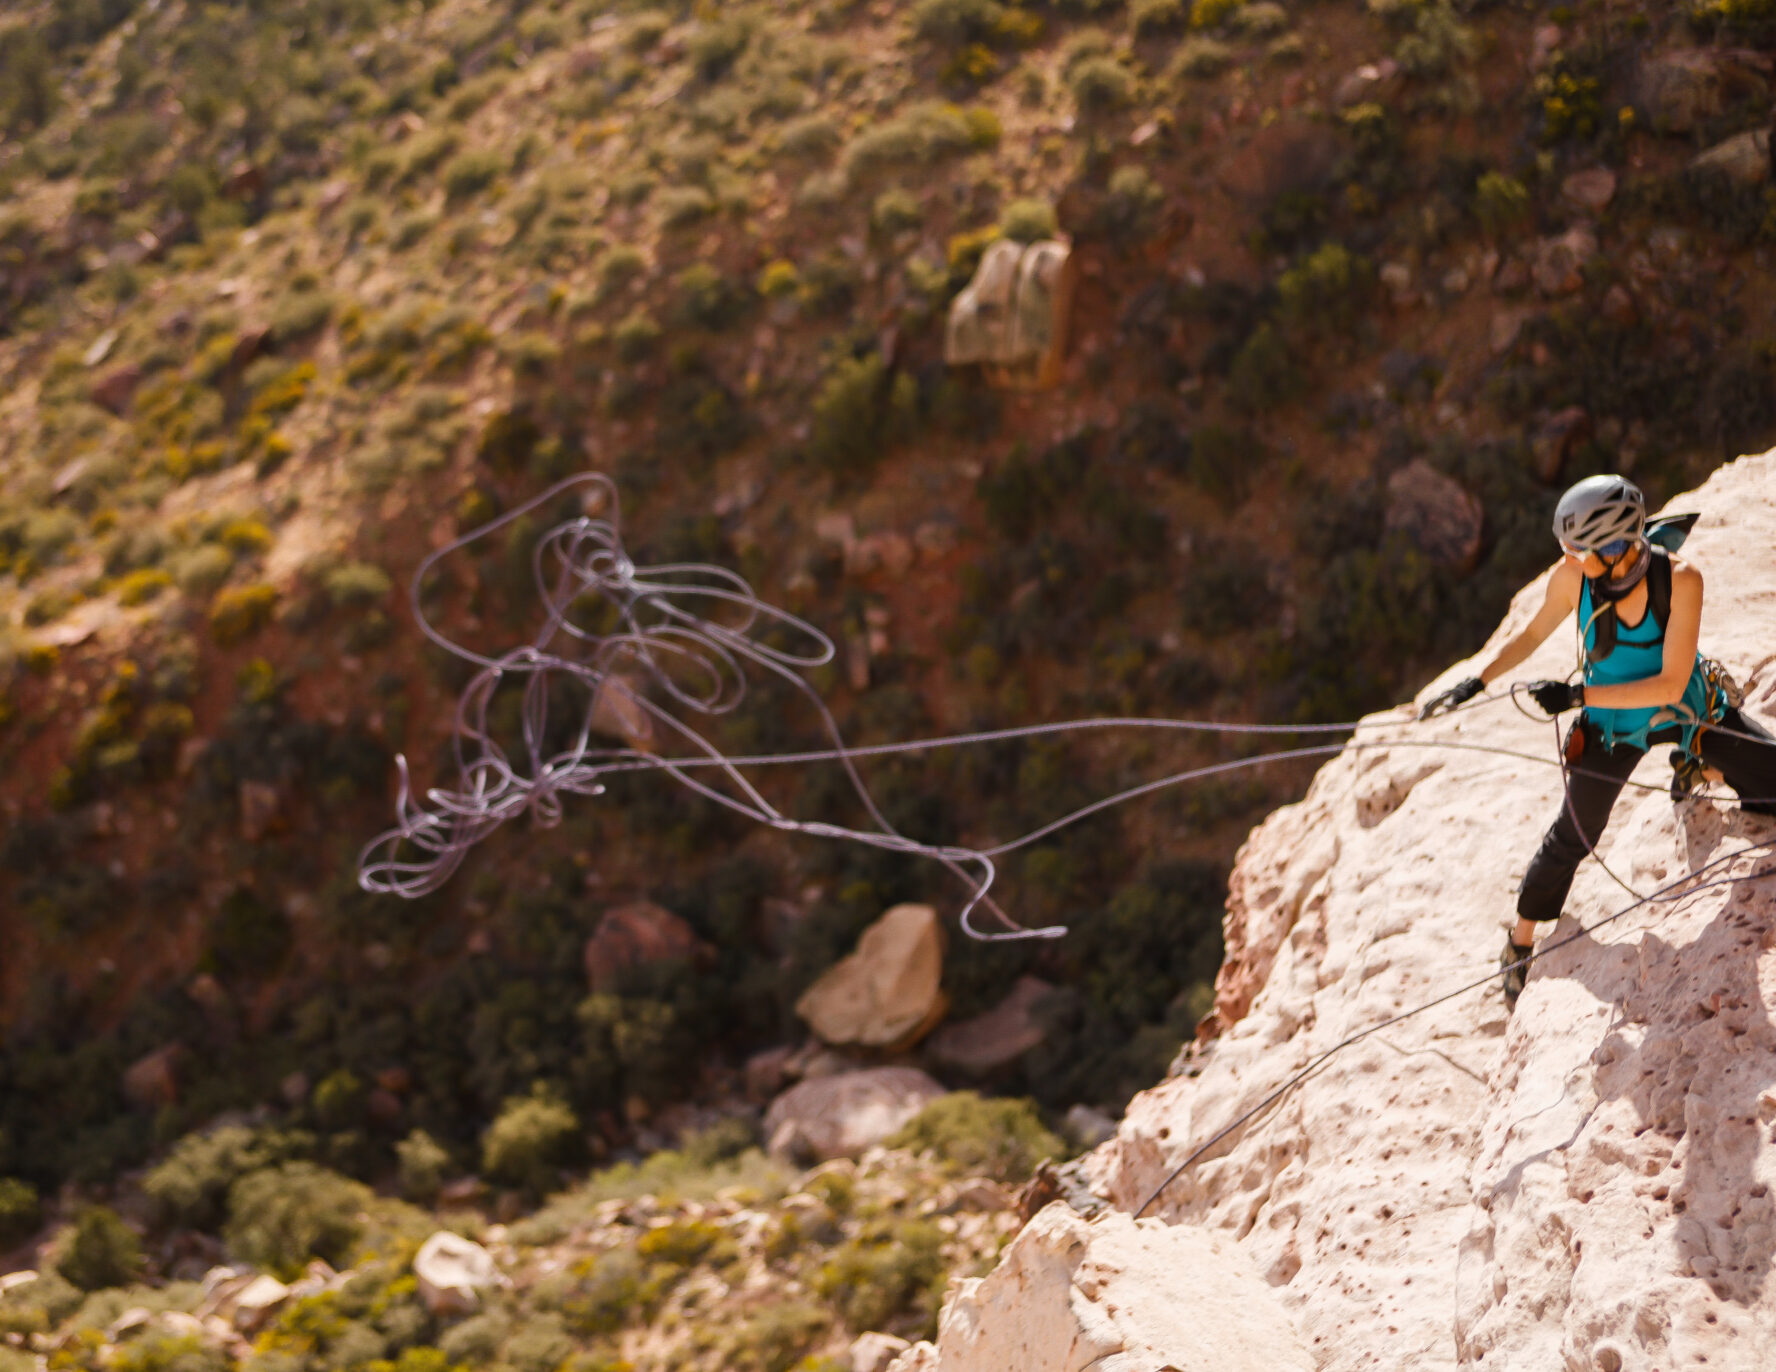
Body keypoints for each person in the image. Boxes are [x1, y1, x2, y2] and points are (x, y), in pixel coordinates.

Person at [1418, 474, 1776, 1009]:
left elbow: (1672, 683)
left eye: (1576, 548)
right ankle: (1520, 939)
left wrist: (1579, 694)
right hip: (1614, 725)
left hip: (1683, 709)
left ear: (1611, 549)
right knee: (1574, 835)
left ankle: (1697, 765)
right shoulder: (1574, 578)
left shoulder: (1681, 579)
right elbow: (1534, 633)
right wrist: (1480, 680)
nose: (1567, 557)